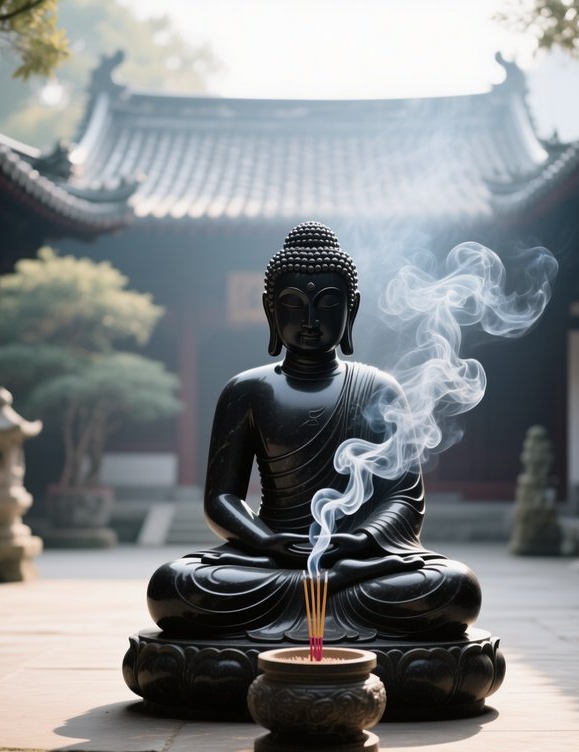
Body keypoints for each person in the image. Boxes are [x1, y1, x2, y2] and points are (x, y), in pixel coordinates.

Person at [147, 221, 481, 643]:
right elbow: (221, 498)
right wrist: (267, 543)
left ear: (351, 309)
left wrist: (359, 541)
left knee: (453, 586)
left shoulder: (378, 388)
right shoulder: (247, 390)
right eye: (292, 304)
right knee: (175, 584)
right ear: (270, 310)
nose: (309, 320)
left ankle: (325, 591)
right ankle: (327, 597)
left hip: (359, 561)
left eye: (326, 304)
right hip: (274, 559)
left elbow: (404, 498)